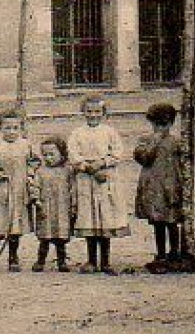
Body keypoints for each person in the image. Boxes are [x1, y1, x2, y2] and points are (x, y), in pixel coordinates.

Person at [67, 95, 130, 274]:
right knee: (89, 219)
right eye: (89, 111)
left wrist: (102, 163)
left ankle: (106, 261)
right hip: (86, 179)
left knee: (105, 218)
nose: (93, 115)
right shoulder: (77, 133)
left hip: (105, 179)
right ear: (83, 112)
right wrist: (88, 167)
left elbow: (117, 152)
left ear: (103, 113)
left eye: (97, 112)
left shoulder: (109, 132)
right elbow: (73, 154)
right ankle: (91, 260)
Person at [0, 108, 37, 272]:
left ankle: (13, 256)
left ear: (21, 129)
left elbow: (34, 162)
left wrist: (30, 175)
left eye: (15, 128)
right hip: (0, 191)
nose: (11, 132)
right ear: (0, 128)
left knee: (15, 227)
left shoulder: (26, 145)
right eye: (7, 128)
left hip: (19, 191)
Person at [134, 103, 184, 266]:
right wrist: (153, 143)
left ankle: (175, 252)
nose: (160, 128)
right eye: (156, 124)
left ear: (171, 124)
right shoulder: (145, 140)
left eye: (164, 124)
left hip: (171, 185)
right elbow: (142, 159)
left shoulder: (176, 142)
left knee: (172, 221)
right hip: (154, 187)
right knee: (158, 222)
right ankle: (161, 253)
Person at [28, 137, 75, 272]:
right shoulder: (40, 171)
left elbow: (73, 188)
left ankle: (62, 262)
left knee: (60, 239)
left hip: (62, 208)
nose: (48, 158)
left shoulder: (68, 171)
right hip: (46, 209)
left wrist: (73, 205)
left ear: (62, 153)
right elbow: (35, 187)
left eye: (52, 154)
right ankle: (40, 261)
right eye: (45, 155)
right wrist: (36, 200)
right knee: (45, 238)